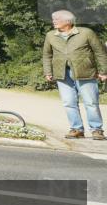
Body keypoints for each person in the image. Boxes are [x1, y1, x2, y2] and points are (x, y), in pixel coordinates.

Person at [43, 10, 107, 140]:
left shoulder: (86, 33)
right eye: (53, 19)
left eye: (57, 19)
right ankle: (77, 129)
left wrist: (103, 71)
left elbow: (100, 52)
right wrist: (48, 72)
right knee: (68, 103)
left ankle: (97, 130)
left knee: (91, 102)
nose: (54, 21)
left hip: (86, 72)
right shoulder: (50, 35)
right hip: (62, 73)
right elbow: (47, 55)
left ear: (68, 21)